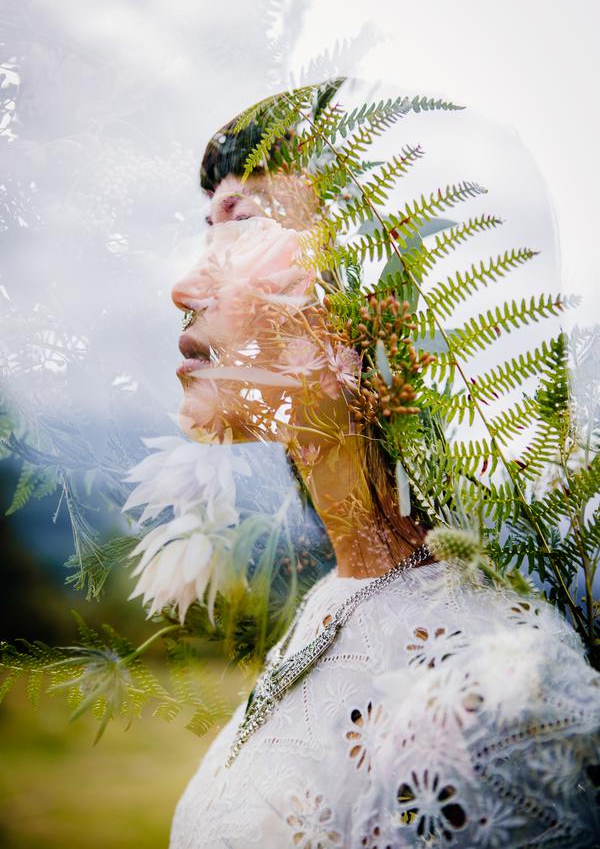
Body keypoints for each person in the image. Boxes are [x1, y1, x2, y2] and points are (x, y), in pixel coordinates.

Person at [168, 85, 600, 847]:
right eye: (208, 226)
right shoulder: (344, 602)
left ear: (394, 291)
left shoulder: (500, 699)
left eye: (244, 223)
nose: (184, 287)